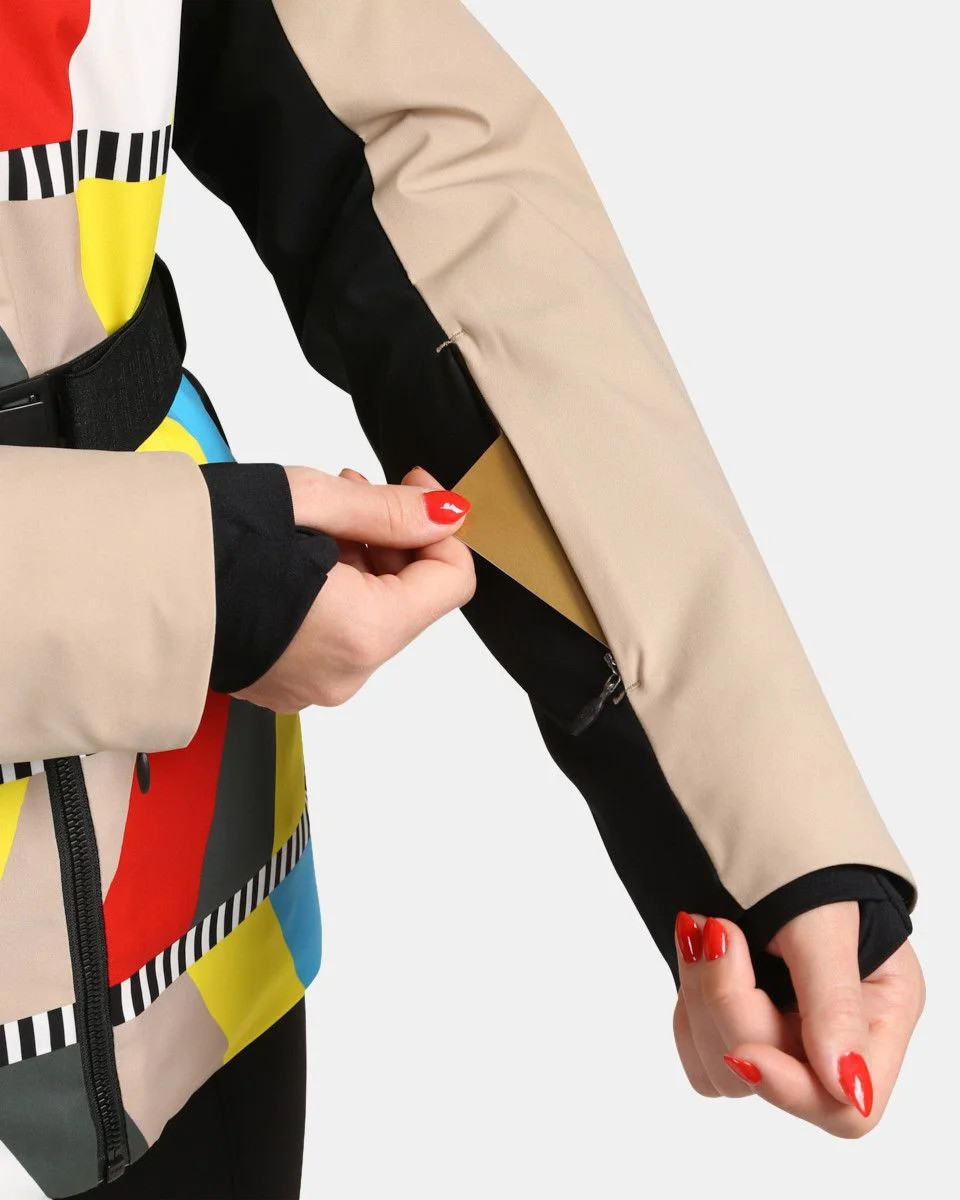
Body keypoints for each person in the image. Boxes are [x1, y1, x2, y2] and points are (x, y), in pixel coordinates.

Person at [0, 2, 924, 1197]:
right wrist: (170, 578)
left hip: (158, 885)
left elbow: (405, 147)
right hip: (186, 666)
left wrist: (747, 821)